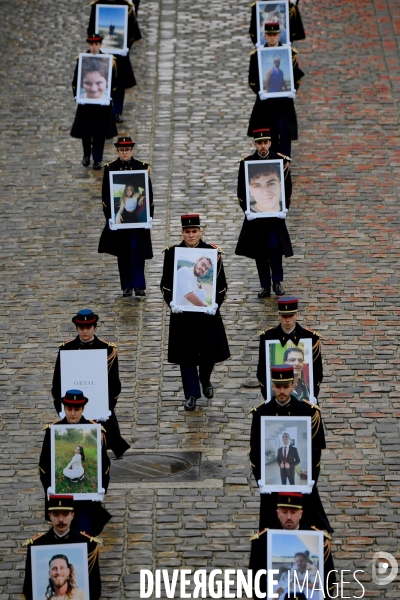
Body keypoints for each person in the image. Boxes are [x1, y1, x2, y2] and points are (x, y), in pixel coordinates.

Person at [160, 214, 230, 411]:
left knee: (208, 353)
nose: (191, 235)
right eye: (187, 231)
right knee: (186, 355)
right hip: (183, 315)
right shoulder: (172, 254)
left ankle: (205, 378)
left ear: (200, 231)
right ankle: (191, 394)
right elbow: (165, 284)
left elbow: (221, 285)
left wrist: (215, 304)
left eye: (195, 231)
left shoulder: (213, 253)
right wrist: (171, 302)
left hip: (206, 315)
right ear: (182, 232)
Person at [51, 308, 130, 458]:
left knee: (104, 443)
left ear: (94, 327)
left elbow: (114, 383)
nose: (85, 331)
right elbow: (57, 382)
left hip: (101, 407)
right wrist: (60, 407)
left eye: (88, 328)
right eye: (82, 328)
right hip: (73, 406)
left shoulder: (107, 349)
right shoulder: (66, 349)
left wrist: (108, 407)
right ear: (77, 328)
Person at [39, 390, 111, 536]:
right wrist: (49, 487)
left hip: (86, 501)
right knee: (63, 532)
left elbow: (104, 464)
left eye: (77, 409)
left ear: (83, 409)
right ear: (64, 408)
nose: (72, 413)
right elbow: (44, 464)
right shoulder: (52, 431)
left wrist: (102, 486)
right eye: (69, 409)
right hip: (61, 498)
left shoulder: (94, 430)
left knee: (85, 532)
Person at [235, 128, 293, 298]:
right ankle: (265, 285)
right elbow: (241, 191)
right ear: (255, 144)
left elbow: (287, 188)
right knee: (260, 251)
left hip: (275, 215)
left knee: (275, 248)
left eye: (265, 142)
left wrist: (284, 207)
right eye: (259, 143)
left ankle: (277, 281)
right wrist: (248, 210)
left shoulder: (281, 161)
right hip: (257, 216)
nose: (262, 146)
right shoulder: (246, 163)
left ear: (270, 143)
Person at [249, 492, 336, 599]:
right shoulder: (262, 541)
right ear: (277, 513)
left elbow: (329, 579)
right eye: (284, 512)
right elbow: (255, 580)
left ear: (301, 513)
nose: (289, 517)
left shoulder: (320, 539)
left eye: (293, 512)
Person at [98, 136, 154, 297]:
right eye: (122, 150)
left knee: (138, 251)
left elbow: (148, 195)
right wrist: (111, 217)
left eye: (127, 149)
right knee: (123, 252)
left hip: (137, 219)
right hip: (121, 220)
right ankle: (126, 286)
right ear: (117, 151)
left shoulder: (141, 167)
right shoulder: (110, 168)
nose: (125, 152)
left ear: (132, 150)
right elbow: (105, 197)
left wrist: (149, 216)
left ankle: (139, 285)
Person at [22, 495, 101, 600]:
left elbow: (94, 588)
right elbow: (29, 587)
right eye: (55, 514)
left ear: (72, 515)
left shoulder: (88, 545)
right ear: (49, 515)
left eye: (65, 514)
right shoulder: (36, 545)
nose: (60, 520)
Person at [248, 21, 304, 156]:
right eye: (269, 35)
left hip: (284, 103)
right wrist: (261, 91)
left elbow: (295, 76)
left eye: (275, 34)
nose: (272, 37)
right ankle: (270, 162)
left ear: (279, 35)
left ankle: (285, 164)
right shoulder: (257, 55)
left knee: (284, 132)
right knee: (267, 134)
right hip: (265, 105)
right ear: (265, 36)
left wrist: (293, 90)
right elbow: (252, 80)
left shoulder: (289, 53)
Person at [257, 297, 323, 401]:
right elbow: (262, 371)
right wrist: (268, 397)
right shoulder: (267, 338)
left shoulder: (311, 337)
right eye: (284, 316)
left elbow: (317, 372)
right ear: (279, 316)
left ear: (297, 315)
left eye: (291, 316)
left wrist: (313, 396)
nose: (287, 320)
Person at [88, 0, 140, 123]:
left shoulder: (126, 5)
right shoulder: (98, 4)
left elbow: (132, 29)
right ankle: (103, 109)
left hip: (120, 53)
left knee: (119, 81)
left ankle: (117, 111)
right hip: (102, 50)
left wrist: (126, 46)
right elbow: (91, 27)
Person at [70, 33, 118, 170]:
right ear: (88, 45)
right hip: (86, 102)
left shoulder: (109, 60)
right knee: (86, 130)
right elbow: (76, 81)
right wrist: (78, 97)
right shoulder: (82, 60)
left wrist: (109, 97)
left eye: (97, 44)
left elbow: (113, 82)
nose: (94, 47)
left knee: (99, 132)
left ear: (100, 45)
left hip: (102, 104)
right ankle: (86, 154)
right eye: (92, 44)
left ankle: (97, 158)